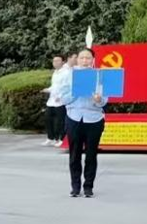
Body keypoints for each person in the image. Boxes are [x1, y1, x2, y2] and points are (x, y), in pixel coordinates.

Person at [63, 48, 108, 198]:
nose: (84, 61)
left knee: (91, 154)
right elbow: (63, 98)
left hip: (94, 119)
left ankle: (88, 186)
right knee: (74, 154)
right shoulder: (69, 75)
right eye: (82, 58)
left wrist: (98, 100)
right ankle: (75, 187)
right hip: (74, 118)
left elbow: (104, 101)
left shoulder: (99, 76)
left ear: (93, 60)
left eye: (88, 58)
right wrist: (75, 93)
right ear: (77, 60)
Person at [41, 54, 69, 147]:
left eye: (57, 61)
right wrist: (48, 89)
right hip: (52, 100)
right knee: (48, 118)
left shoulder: (66, 73)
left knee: (60, 121)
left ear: (63, 62)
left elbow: (67, 86)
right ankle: (50, 138)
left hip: (61, 100)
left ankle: (61, 139)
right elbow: (54, 86)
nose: (55, 63)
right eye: (54, 61)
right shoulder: (55, 73)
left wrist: (61, 95)